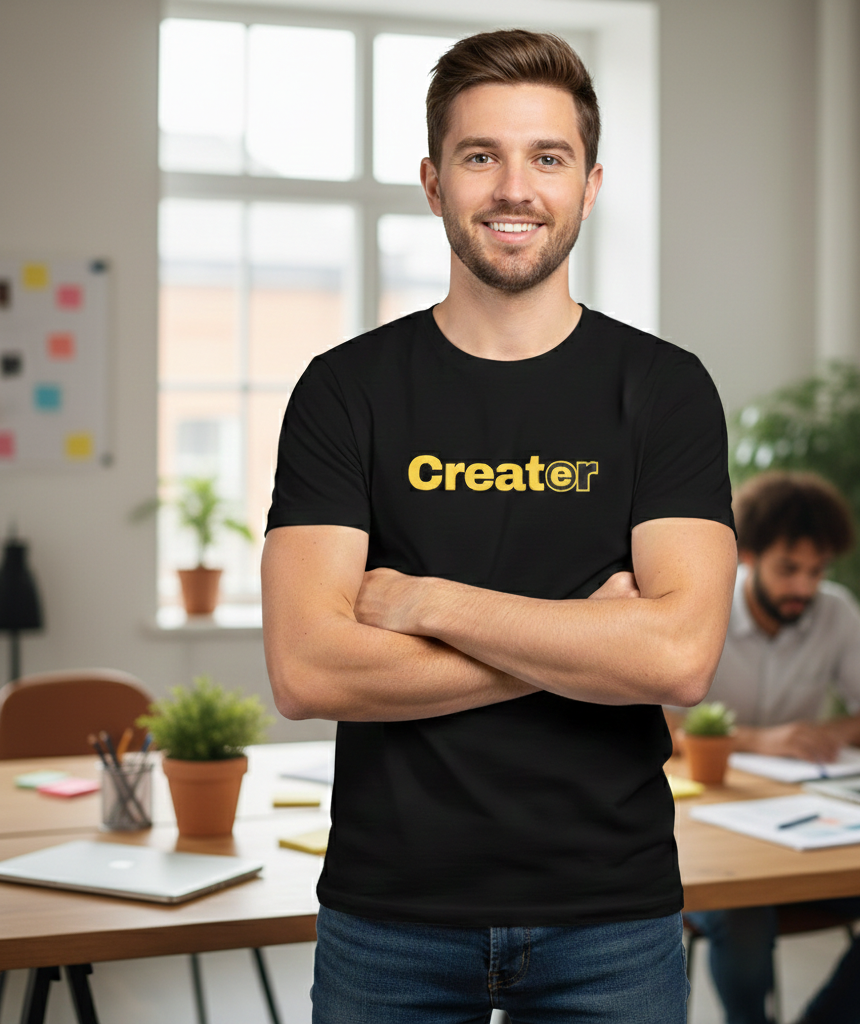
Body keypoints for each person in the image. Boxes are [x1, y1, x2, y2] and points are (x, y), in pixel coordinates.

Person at [261, 29, 737, 1024]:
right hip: (389, 917)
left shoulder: (665, 389)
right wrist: (588, 637)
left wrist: (429, 602)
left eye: (547, 157)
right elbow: (308, 670)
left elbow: (679, 660)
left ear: (590, 186)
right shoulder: (346, 391)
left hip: (610, 918)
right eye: (481, 155)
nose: (514, 188)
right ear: (434, 182)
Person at [681, 471, 860, 1024]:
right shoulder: (701, 607)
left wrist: (839, 732)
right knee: (744, 919)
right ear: (748, 556)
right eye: (789, 568)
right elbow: (648, 724)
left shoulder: (835, 611)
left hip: (806, 829)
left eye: (817, 570)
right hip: (711, 842)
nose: (804, 588)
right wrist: (758, 741)